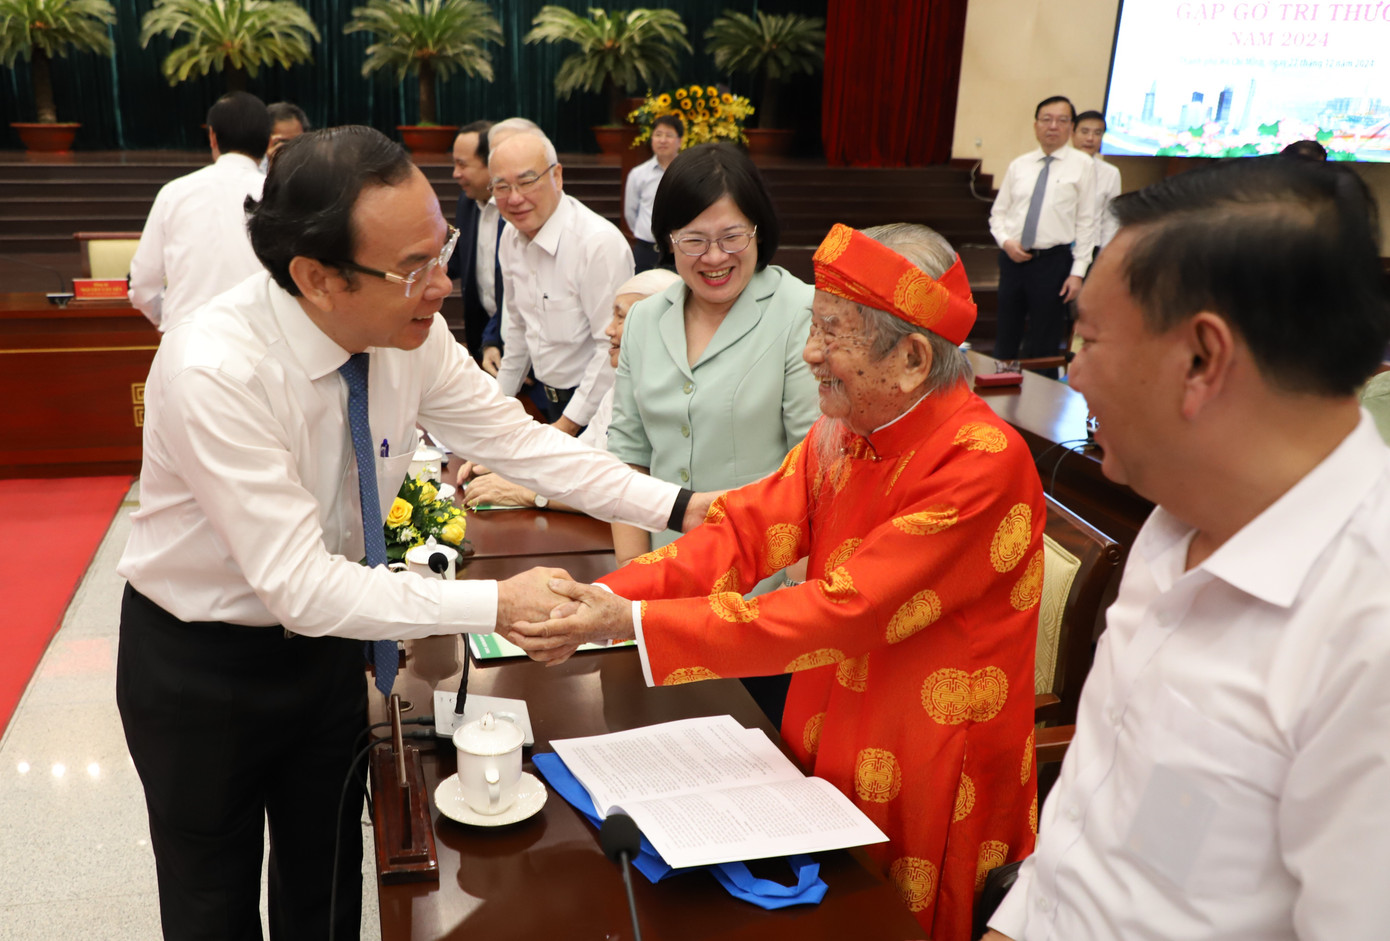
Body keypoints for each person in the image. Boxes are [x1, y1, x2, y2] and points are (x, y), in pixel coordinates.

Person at [115, 126, 710, 941]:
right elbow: (298, 582)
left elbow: (521, 442)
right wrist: (496, 602)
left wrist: (682, 507)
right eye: (412, 268)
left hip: (326, 654)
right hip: (200, 664)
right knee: (210, 902)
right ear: (316, 277)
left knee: (325, 886)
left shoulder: (409, 335)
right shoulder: (214, 369)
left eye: (444, 250)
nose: (440, 286)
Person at [509, 222, 1046, 940]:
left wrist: (629, 625)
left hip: (928, 748)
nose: (810, 353)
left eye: (831, 333)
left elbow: (846, 610)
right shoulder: (845, 426)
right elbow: (745, 530)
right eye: (812, 327)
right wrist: (609, 597)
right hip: (825, 711)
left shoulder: (981, 460)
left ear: (913, 358)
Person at [981, 157, 1390, 940]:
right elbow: (1087, 838)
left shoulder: (1365, 628)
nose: (1075, 373)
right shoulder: (1178, 517)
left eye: (1088, 340)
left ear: (1202, 360)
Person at [460, 268, 682, 510]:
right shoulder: (623, 384)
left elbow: (632, 494)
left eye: (621, 317)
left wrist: (530, 493)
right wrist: (512, 463)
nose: (609, 330)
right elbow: (581, 454)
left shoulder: (676, 398)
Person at [490, 130, 635, 434]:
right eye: (502, 187)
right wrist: (495, 410)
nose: (514, 198)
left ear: (557, 176)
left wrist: (566, 427)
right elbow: (517, 328)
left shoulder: (597, 244)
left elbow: (609, 349)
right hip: (549, 399)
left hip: (600, 413)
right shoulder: (510, 237)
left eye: (527, 182)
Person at [128, 91, 270, 333]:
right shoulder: (279, 194)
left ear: (212, 136)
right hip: (262, 339)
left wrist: (167, 319)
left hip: (186, 339)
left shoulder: (174, 192)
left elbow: (142, 282)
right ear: (268, 142)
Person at [989, 95, 1097, 371]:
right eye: (1046, 120)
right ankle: (998, 397)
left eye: (1062, 121)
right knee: (1006, 334)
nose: (1053, 126)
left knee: (1044, 341)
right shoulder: (1020, 165)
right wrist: (1006, 242)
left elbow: (1088, 221)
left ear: (1071, 128)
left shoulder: (1083, 165)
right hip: (1013, 260)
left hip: (1053, 262)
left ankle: (1039, 406)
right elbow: (998, 214)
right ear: (1036, 125)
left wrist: (1078, 273)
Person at [446, 119, 506, 367]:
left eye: (462, 164)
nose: (455, 174)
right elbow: (460, 260)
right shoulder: (468, 201)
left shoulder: (518, 211)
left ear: (492, 164)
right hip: (483, 340)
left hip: (521, 341)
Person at [624, 114, 684, 270]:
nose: (662, 140)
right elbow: (631, 213)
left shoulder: (688, 172)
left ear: (680, 141)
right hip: (646, 250)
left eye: (669, 135)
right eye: (658, 135)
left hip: (680, 250)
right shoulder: (638, 174)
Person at [1071, 110, 1121, 253]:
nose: (1090, 138)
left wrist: (1104, 254)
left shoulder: (1111, 173)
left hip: (1091, 247)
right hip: (1057, 248)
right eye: (1084, 132)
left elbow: (1111, 219)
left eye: (1097, 133)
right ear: (1072, 134)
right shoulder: (1058, 167)